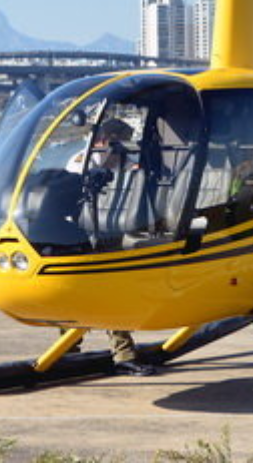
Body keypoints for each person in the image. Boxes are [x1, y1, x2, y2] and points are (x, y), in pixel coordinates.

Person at [61, 117, 157, 376]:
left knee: (110, 291)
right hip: (81, 237)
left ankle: (82, 350)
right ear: (106, 142)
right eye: (119, 145)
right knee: (102, 293)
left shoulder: (116, 159)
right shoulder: (79, 163)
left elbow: (138, 168)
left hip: (108, 233)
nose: (123, 152)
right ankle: (111, 353)